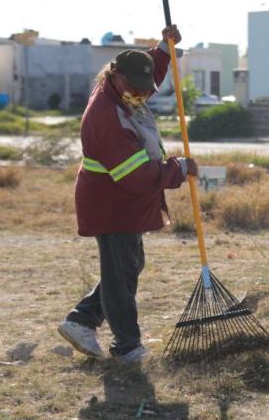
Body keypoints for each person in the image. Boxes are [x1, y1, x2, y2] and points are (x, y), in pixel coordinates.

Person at [57, 25, 198, 363]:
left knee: (129, 265)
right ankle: (127, 346)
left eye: (144, 87)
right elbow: (136, 176)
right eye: (136, 87)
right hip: (111, 202)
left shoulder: (122, 89)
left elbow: (148, 66)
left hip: (121, 201)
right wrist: (178, 170)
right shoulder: (106, 117)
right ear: (116, 77)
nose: (142, 93)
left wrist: (164, 49)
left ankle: (81, 320)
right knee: (121, 274)